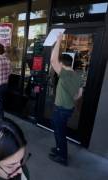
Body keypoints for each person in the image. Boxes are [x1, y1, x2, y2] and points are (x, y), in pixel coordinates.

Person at [49, 33, 82, 166]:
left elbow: (52, 60)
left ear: (62, 64)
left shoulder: (65, 74)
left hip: (61, 110)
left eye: (59, 64)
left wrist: (58, 41)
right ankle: (58, 149)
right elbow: (79, 93)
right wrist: (72, 99)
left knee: (60, 133)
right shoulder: (76, 74)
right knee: (59, 131)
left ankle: (62, 157)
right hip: (67, 109)